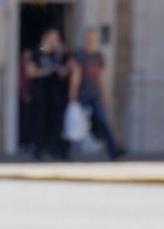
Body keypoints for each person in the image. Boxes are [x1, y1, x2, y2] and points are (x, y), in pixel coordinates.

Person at [71, 27, 124, 159]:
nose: (90, 41)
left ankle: (113, 150)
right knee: (76, 122)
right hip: (82, 95)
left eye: (93, 38)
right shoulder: (79, 55)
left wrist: (103, 95)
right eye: (88, 38)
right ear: (84, 39)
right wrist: (72, 96)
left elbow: (100, 77)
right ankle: (65, 151)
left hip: (95, 95)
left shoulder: (98, 56)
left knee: (103, 121)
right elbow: (75, 77)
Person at [25, 28, 75, 160]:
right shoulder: (38, 52)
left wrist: (67, 66)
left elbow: (65, 69)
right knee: (39, 121)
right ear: (45, 37)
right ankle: (38, 149)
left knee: (56, 122)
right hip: (40, 93)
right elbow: (31, 71)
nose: (55, 42)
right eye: (53, 38)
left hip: (55, 95)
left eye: (57, 39)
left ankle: (55, 149)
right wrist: (46, 71)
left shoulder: (58, 54)